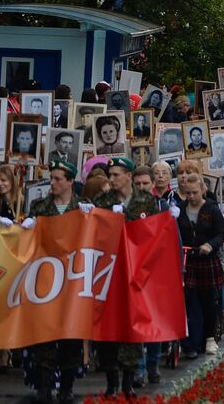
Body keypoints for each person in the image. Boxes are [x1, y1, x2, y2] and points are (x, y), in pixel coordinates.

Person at [92, 157, 160, 395]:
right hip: (108, 274)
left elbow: (153, 237)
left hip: (135, 275)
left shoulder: (146, 201)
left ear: (129, 176)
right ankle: (111, 382)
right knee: (109, 328)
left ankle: (129, 383)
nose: (111, 179)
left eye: (116, 174)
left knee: (132, 328)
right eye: (110, 175)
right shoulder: (103, 201)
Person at [28, 160, 88, 404]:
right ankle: (44, 388)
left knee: (71, 336)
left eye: (58, 179)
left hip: (73, 282)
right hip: (46, 281)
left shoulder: (82, 209)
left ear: (70, 181)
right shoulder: (39, 207)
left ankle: (66, 387)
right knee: (44, 335)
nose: (52, 183)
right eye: (51, 178)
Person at [175, 160, 224, 359]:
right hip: (188, 261)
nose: (192, 196)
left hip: (206, 261)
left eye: (195, 192)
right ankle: (189, 342)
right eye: (188, 193)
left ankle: (210, 338)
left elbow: (220, 234)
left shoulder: (212, 210)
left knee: (208, 301)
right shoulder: (180, 209)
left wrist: (209, 245)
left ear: (203, 190)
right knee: (188, 302)